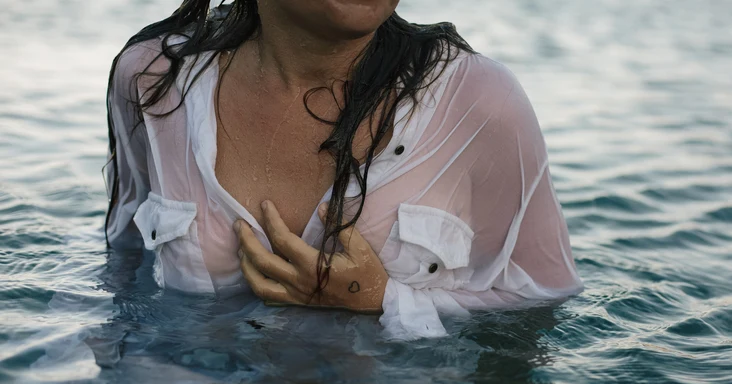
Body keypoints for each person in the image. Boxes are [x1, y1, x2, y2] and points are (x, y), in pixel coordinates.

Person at [105, 0, 583, 340]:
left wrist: (380, 301)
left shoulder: (479, 100)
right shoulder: (154, 80)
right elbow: (123, 260)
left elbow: (546, 297)